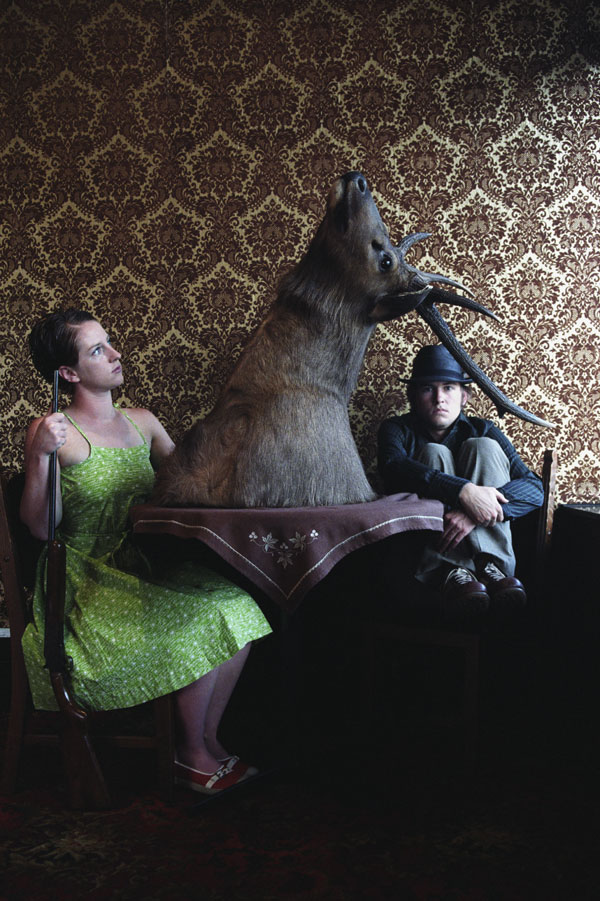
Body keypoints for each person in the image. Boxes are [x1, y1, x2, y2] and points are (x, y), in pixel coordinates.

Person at [20, 309, 273, 794]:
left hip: (142, 568)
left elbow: (189, 485)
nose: (116, 354)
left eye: (109, 342)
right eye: (98, 350)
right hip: (85, 586)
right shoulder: (53, 430)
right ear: (68, 373)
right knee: (204, 620)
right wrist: (39, 455)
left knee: (240, 606)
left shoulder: (143, 423)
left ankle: (207, 742)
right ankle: (191, 757)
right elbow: (39, 526)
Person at [377, 344, 544, 619]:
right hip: (424, 562)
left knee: (483, 447)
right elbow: (392, 467)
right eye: (427, 388)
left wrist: (473, 513)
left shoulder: (484, 429)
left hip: (495, 576)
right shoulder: (397, 429)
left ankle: (490, 566)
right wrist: (463, 491)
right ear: (413, 396)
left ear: (465, 396)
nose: (439, 398)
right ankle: (450, 571)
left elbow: (534, 488)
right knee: (434, 453)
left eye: (448, 388)